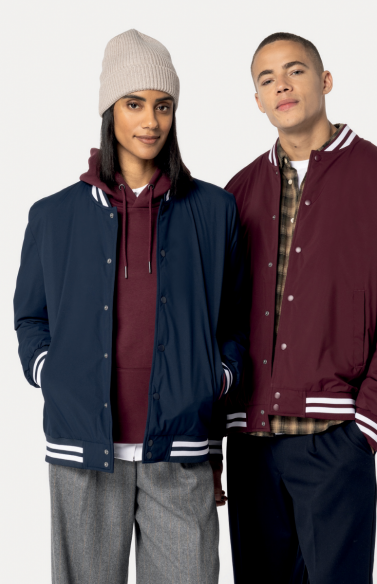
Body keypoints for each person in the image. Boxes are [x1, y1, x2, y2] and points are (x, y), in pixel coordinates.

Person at [13, 29, 246, 584]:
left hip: (180, 447)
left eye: (163, 106)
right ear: (109, 111)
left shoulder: (214, 211)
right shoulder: (53, 216)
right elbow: (30, 317)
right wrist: (51, 372)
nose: (151, 121)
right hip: (83, 448)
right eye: (134, 104)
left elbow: (234, 321)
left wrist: (214, 380)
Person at [223, 32, 377, 584]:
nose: (282, 86)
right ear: (257, 100)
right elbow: (219, 319)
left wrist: (365, 427)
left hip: (334, 441)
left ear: (325, 80)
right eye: (267, 79)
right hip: (249, 445)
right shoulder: (237, 192)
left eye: (294, 71)